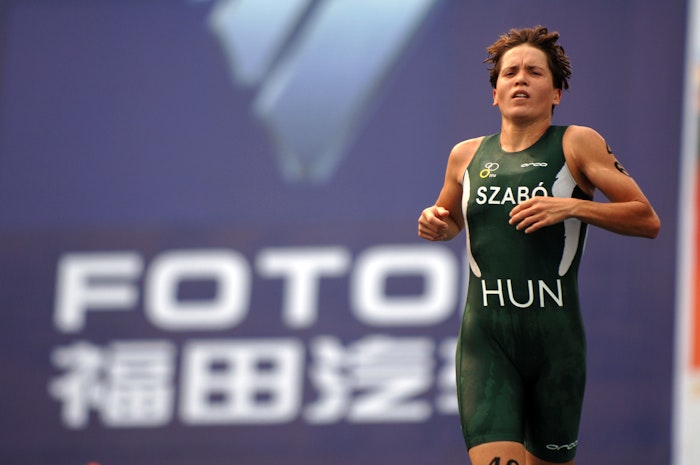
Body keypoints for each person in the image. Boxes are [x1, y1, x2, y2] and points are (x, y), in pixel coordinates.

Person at [417, 26, 660, 465]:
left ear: (557, 93)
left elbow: (646, 219)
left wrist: (572, 207)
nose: (521, 80)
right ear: (495, 94)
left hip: (556, 346)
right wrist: (436, 224)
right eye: (510, 73)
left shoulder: (577, 143)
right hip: (486, 343)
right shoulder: (465, 155)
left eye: (534, 72)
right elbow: (449, 222)